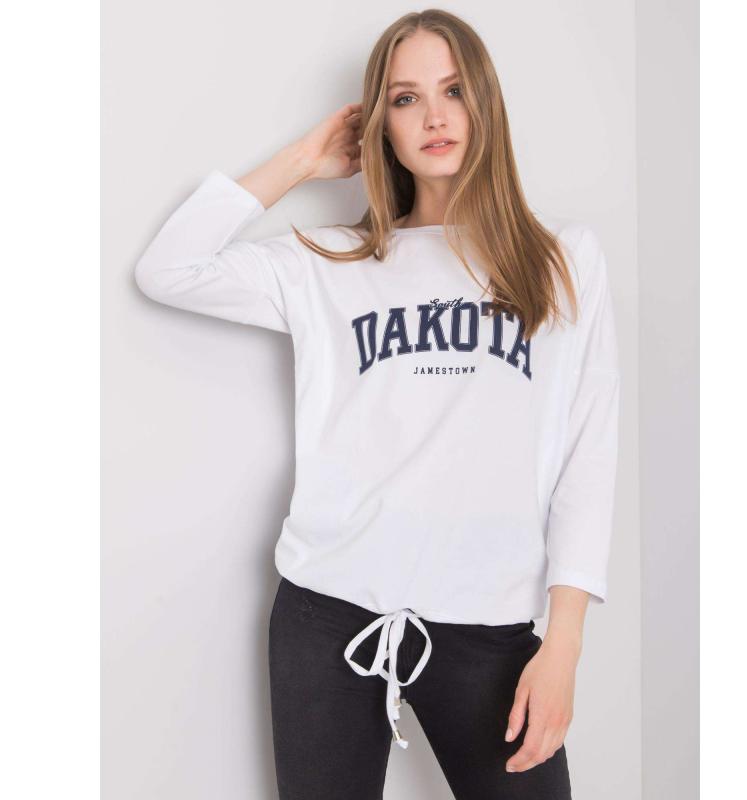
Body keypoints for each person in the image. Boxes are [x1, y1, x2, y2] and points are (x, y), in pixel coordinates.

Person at [134, 9, 620, 800]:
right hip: (329, 615)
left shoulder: (561, 259)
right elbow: (168, 270)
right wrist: (303, 160)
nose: (434, 116)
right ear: (378, 125)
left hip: (488, 627)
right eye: (404, 98)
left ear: (485, 102)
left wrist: (563, 643)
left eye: (454, 90)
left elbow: (587, 454)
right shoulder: (330, 262)